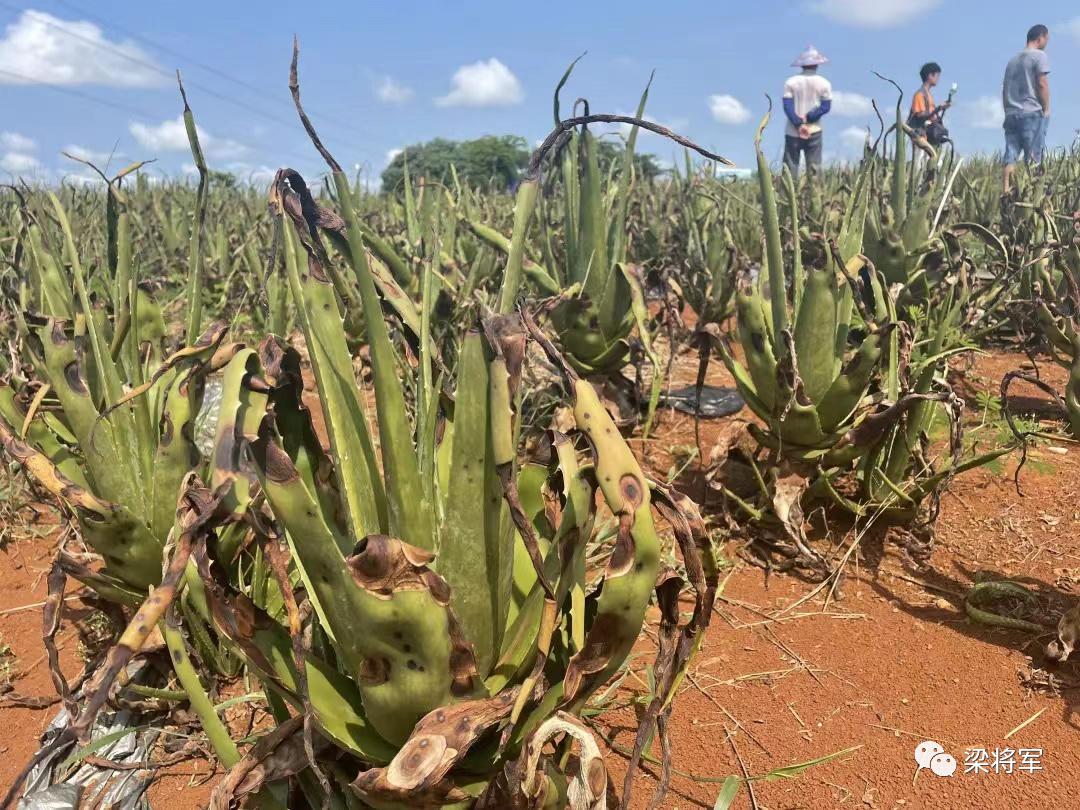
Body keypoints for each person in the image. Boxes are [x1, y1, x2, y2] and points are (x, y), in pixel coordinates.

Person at [1002, 24, 1051, 194]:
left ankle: (1006, 193)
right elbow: (1042, 83)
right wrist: (1046, 109)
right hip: (1030, 113)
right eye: (1047, 39)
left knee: (1010, 156)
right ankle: (1033, 197)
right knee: (1034, 158)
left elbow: (1004, 88)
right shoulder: (1039, 56)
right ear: (1041, 37)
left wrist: (1008, 109)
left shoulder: (1012, 60)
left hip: (1011, 113)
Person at [782, 46, 832, 179]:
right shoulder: (824, 83)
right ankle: (813, 196)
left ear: (802, 65)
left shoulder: (790, 82)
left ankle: (788, 196)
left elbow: (787, 107)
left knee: (790, 165)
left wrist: (799, 124)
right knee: (814, 167)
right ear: (816, 64)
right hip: (814, 130)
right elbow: (826, 107)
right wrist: (808, 118)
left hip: (792, 130)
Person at [908, 62, 950, 137]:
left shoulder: (928, 95)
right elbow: (920, 114)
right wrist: (938, 108)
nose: (938, 79)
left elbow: (931, 114)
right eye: (937, 76)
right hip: (920, 136)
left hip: (928, 136)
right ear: (930, 75)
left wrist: (942, 108)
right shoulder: (919, 95)